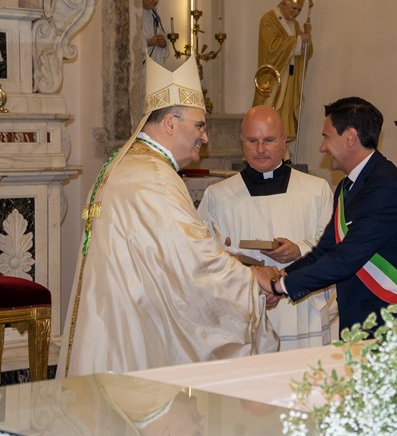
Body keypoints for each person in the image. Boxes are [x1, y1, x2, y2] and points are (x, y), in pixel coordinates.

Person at [57, 57, 279, 378]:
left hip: (113, 318)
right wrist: (251, 280)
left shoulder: (128, 167)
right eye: (200, 126)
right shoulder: (153, 178)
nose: (205, 137)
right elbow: (193, 261)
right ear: (172, 123)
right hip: (130, 330)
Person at [263, 97, 397, 332]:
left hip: (393, 321)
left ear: (350, 137)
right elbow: (327, 249)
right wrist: (282, 274)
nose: (322, 147)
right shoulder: (348, 186)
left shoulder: (387, 187)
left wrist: (280, 286)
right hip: (361, 318)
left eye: (326, 136)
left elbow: (345, 259)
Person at [198, 106, 336, 349]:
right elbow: (203, 255)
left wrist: (299, 249)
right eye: (252, 141)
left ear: (284, 140)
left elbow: (334, 244)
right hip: (246, 306)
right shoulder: (218, 196)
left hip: (301, 308)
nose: (260, 149)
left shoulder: (316, 190)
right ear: (242, 143)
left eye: (269, 140)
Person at [252, 0, 313, 154]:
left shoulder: (294, 25)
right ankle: (263, 149)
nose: (295, 13)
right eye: (293, 8)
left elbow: (304, 53)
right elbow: (271, 49)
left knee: (284, 118)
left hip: (290, 79)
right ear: (284, 3)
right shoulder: (268, 20)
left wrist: (306, 40)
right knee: (269, 113)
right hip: (273, 78)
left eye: (299, 11)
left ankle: (281, 151)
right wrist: (298, 40)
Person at [142, 0, 169, 66]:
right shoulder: (135, 16)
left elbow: (165, 49)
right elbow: (130, 46)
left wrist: (163, 43)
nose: (156, 0)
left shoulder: (155, 16)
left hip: (157, 66)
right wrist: (149, 42)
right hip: (143, 68)